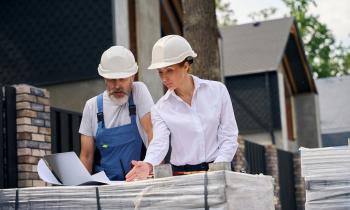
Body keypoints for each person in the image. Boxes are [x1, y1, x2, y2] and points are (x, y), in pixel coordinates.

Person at [126, 35, 238, 181]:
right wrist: (148, 164)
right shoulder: (160, 108)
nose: (164, 78)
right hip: (183, 176)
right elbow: (159, 143)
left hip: (220, 169)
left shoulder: (217, 91)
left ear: (186, 66)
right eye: (160, 72)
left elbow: (229, 135)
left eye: (169, 70)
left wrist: (218, 168)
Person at [79, 46, 154, 181]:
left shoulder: (139, 93)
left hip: (137, 183)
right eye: (112, 80)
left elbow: (152, 134)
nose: (117, 85)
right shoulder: (92, 107)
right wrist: (79, 190)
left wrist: (151, 167)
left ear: (132, 77)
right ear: (104, 78)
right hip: (105, 188)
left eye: (122, 79)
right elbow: (86, 156)